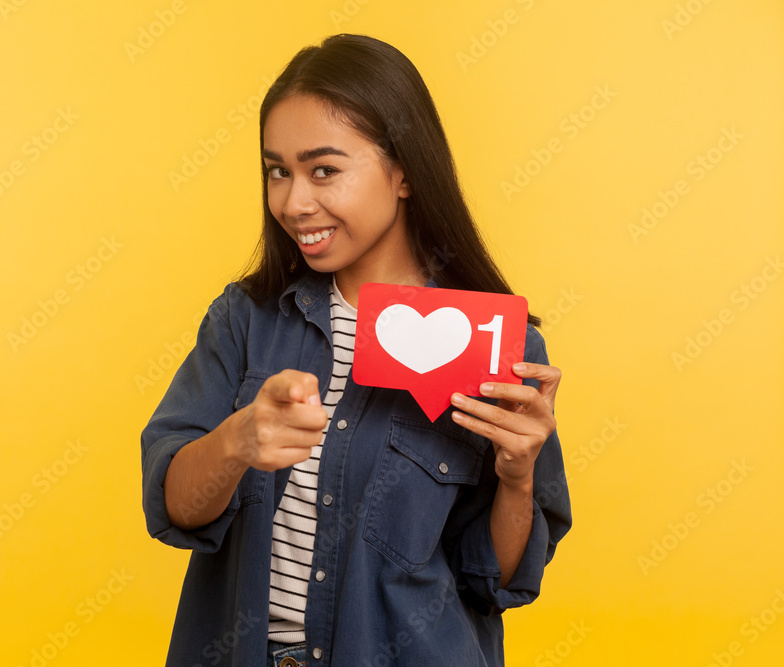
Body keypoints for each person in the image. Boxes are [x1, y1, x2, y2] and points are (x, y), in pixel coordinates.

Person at [141, 33, 571, 667]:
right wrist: (237, 441)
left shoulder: (492, 344)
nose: (294, 202)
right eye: (277, 171)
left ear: (402, 172)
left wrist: (516, 477)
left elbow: (493, 582)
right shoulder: (246, 319)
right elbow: (174, 506)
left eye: (324, 170)